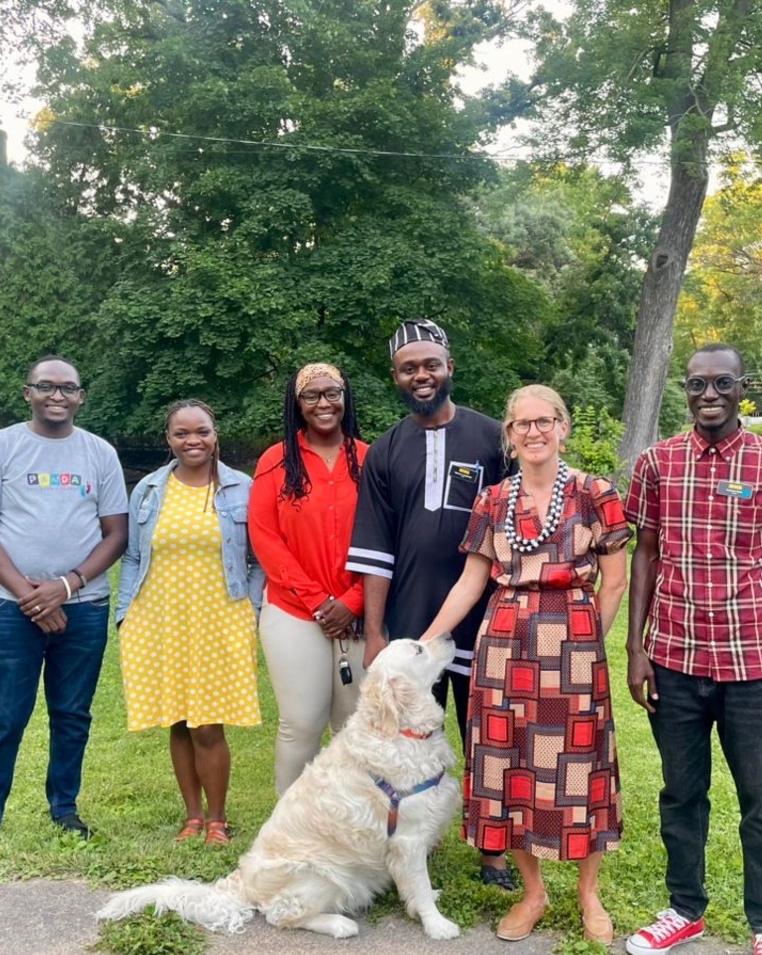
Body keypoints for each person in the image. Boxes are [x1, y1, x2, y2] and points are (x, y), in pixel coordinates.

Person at [624, 344, 762, 955]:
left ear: (744, 388)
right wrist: (635, 648)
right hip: (676, 659)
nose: (709, 394)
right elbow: (645, 554)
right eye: (697, 384)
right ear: (686, 391)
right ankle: (685, 910)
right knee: (682, 794)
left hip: (751, 663)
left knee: (761, 802)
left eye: (722, 383)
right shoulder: (658, 463)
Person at [422, 385, 631, 942]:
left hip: (575, 645)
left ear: (563, 427)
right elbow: (471, 581)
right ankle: (533, 893)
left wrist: (585, 643)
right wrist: (425, 642)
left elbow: (616, 581)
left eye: (544, 421)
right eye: (521, 424)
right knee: (507, 764)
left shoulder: (595, 494)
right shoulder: (493, 500)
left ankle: (589, 897)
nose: (533, 432)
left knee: (580, 766)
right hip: (505, 642)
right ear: (510, 437)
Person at [345, 319, 512, 887]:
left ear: (449, 368)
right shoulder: (386, 450)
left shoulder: (494, 439)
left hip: (488, 618)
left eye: (430, 364)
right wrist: (375, 633)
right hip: (413, 625)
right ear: (395, 376)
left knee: (484, 731)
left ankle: (493, 851)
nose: (421, 375)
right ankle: (414, 840)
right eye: (409, 367)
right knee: (409, 740)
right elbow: (374, 549)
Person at [0, 355, 128, 860]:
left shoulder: (99, 453)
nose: (57, 395)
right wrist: (32, 597)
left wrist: (66, 587)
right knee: (3, 716)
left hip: (84, 608)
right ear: (27, 392)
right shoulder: (1, 447)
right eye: (46, 386)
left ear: (80, 397)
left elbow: (117, 533)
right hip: (10, 610)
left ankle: (64, 809)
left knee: (72, 715)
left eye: (68, 388)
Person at [116, 399, 264, 845]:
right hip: (160, 617)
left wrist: (251, 610)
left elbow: (259, 560)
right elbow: (133, 556)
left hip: (220, 617)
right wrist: (124, 614)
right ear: (169, 439)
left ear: (215, 433)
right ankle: (193, 816)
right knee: (178, 719)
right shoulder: (147, 489)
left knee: (208, 723)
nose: (192, 440)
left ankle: (218, 819)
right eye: (182, 434)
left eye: (201, 431)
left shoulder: (243, 488)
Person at [249, 362, 370, 794]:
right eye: (311, 395)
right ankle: (289, 832)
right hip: (294, 611)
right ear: (297, 404)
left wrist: (353, 601)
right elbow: (265, 538)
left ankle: (354, 829)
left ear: (345, 397)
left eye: (332, 392)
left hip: (360, 611)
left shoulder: (370, 458)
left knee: (355, 727)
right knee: (301, 723)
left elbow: (387, 538)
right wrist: (319, 601)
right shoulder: (276, 461)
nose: (324, 403)